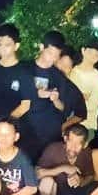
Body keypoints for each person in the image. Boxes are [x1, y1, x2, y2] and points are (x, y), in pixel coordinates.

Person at [21, 31, 73, 161]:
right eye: (49, 53)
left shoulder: (59, 77)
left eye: (56, 56)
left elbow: (64, 109)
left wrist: (56, 100)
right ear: (41, 47)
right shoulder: (24, 69)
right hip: (25, 132)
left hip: (49, 136)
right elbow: (14, 96)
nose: (52, 59)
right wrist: (36, 93)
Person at [0, 24, 31, 146]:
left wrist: (5, 125)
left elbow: (25, 105)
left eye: (7, 44)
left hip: (12, 132)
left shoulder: (24, 72)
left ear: (16, 46)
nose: (2, 48)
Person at [69, 41, 98, 134]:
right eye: (89, 53)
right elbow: (67, 97)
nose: (91, 57)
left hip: (88, 124)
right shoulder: (71, 71)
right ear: (83, 50)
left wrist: (77, 96)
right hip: (67, 122)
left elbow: (93, 104)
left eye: (95, 55)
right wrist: (82, 96)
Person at [53, 46, 89, 134]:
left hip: (53, 136)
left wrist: (63, 127)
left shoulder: (72, 90)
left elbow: (81, 114)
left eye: (66, 67)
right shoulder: (41, 77)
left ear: (71, 69)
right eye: (60, 63)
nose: (61, 69)